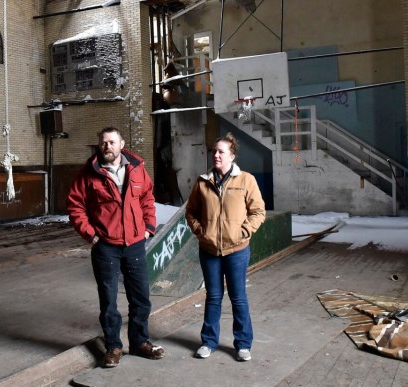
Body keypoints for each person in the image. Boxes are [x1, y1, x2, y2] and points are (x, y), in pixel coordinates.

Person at [67, 127, 166, 368]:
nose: (107, 146)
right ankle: (113, 347)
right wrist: (91, 235)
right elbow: (75, 206)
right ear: (99, 146)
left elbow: (148, 200)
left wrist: (148, 228)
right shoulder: (88, 174)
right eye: (103, 143)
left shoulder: (137, 169)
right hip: (106, 247)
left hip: (134, 244)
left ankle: (140, 342)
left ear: (122, 144)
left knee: (141, 298)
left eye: (112, 142)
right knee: (109, 301)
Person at [185, 132, 266, 361]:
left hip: (237, 250)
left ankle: (242, 344)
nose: (216, 155)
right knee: (213, 296)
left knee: (238, 297)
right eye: (214, 151)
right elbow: (190, 211)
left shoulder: (246, 180)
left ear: (232, 155)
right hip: (209, 250)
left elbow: (258, 212)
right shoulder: (203, 182)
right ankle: (209, 342)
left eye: (221, 152)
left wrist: (243, 231)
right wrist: (200, 230)